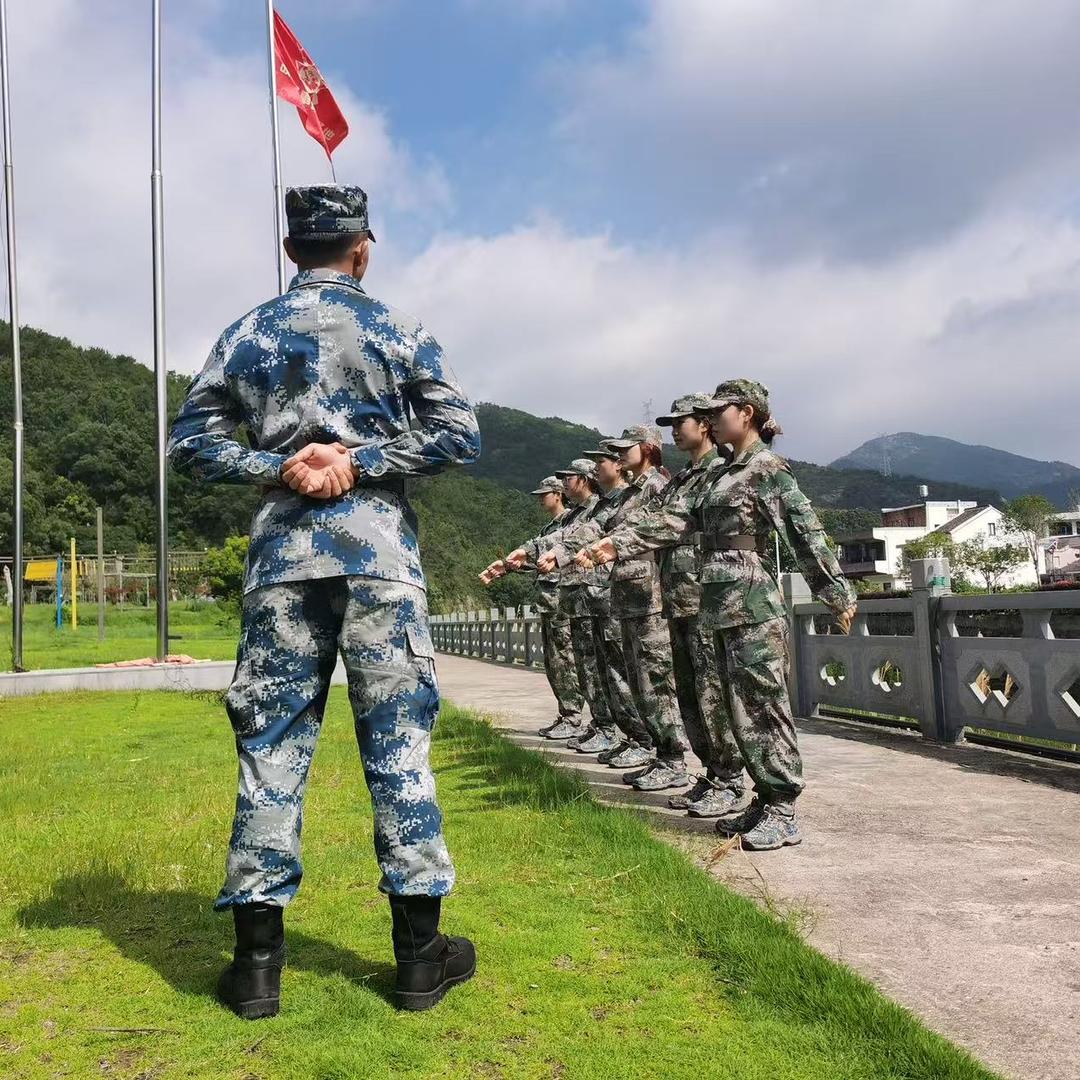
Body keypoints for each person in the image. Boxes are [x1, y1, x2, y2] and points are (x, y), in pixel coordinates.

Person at [167, 184, 480, 1016]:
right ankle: (420, 957)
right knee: (399, 751)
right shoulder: (400, 330)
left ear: (291, 248)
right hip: (379, 560)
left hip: (282, 563)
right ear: (361, 248)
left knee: (270, 752)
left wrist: (285, 463)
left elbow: (191, 443)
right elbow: (459, 434)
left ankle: (257, 969)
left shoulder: (248, 333)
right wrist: (362, 457)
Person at [582, 380, 856, 849]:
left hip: (752, 603)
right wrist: (611, 545)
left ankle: (784, 806)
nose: (710, 420)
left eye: (719, 411)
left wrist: (836, 593)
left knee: (764, 706)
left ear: (746, 413)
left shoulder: (766, 468)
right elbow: (669, 522)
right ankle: (764, 795)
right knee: (736, 708)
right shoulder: (719, 474)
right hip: (717, 604)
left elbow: (803, 532)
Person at [542, 425, 690, 790]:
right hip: (627, 598)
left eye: (625, 449)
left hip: (651, 598)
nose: (617, 456)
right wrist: (557, 554)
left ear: (647, 448)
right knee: (636, 680)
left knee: (654, 681)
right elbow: (593, 531)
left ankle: (670, 757)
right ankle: (656, 752)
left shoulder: (658, 487)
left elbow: (664, 531)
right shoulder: (625, 497)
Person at [649, 394, 747, 815]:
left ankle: (729, 779)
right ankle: (711, 772)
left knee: (712, 693)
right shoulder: (682, 478)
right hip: (677, 597)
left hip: (703, 596)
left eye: (681, 421)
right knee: (689, 693)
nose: (675, 429)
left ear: (704, 424)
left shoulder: (717, 471)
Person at [481, 460, 622, 749]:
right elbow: (549, 547)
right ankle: (589, 722)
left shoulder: (595, 510)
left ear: (583, 480)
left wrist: (521, 558)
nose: (564, 483)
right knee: (571, 663)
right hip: (569, 600)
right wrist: (512, 563)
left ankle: (598, 725)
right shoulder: (571, 519)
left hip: (589, 598)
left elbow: (573, 546)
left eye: (568, 478)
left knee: (590, 665)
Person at [527, 475, 587, 739]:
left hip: (562, 599)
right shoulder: (549, 528)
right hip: (548, 601)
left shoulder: (570, 522)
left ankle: (573, 717)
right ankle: (566, 713)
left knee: (565, 659)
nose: (541, 499)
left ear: (558, 494)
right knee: (553, 661)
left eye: (545, 493)